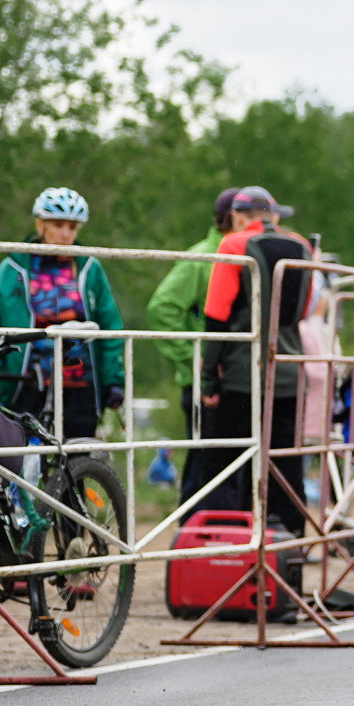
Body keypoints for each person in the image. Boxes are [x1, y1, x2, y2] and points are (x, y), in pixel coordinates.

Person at [195, 187, 313, 530]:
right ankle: (289, 539)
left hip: (242, 376)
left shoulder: (233, 245)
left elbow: (217, 318)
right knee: (284, 463)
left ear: (236, 217)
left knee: (221, 463)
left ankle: (221, 538)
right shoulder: (302, 247)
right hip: (289, 373)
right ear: (272, 215)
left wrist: (208, 380)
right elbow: (303, 312)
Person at [0, 188, 126, 443]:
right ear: (41, 225)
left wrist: (114, 379)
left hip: (80, 383)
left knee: (78, 455)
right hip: (26, 381)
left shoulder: (90, 268)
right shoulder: (13, 267)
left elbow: (110, 325)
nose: (65, 234)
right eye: (58, 225)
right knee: (20, 455)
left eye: (72, 227)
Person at [148, 188, 240, 493]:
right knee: (204, 473)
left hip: (231, 381)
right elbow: (161, 309)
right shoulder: (201, 259)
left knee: (228, 471)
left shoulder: (238, 257)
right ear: (235, 219)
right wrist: (194, 358)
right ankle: (190, 524)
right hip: (205, 385)